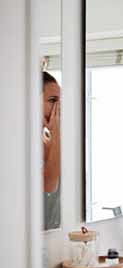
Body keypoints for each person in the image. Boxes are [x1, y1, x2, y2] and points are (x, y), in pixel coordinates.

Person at [42, 71, 61, 230]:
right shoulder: (19, 144)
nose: (59, 107)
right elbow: (49, 185)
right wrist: (57, 132)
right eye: (52, 100)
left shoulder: (46, 143)